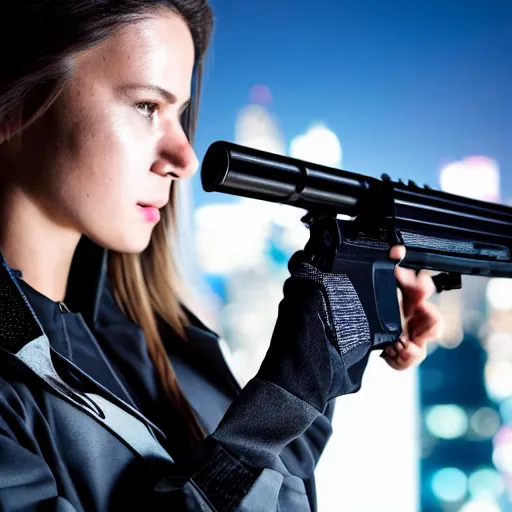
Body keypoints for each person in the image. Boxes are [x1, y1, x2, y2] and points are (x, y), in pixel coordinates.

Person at [0, 1, 442, 510]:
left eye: (180, 114)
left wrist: (324, 360)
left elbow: (271, 490)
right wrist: (285, 391)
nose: (185, 157)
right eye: (147, 106)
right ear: (14, 103)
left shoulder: (157, 340)